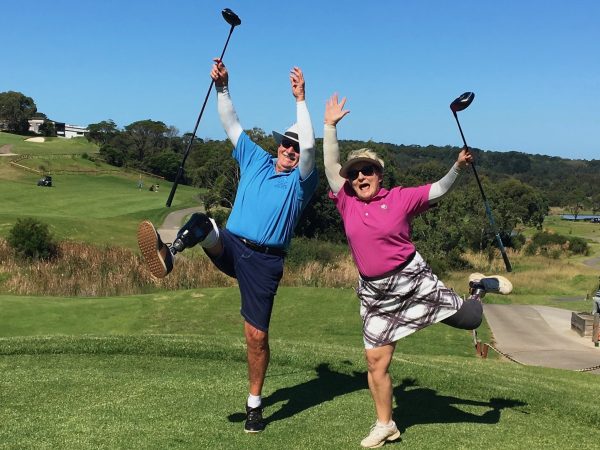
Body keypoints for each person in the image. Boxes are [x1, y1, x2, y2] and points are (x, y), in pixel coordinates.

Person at [137, 60, 318, 433]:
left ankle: (254, 404)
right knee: (204, 222)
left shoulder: (302, 183)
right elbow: (231, 124)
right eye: (287, 143)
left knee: (257, 337)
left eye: (296, 148)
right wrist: (223, 88)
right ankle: (169, 253)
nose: (290, 150)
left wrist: (301, 100)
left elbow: (313, 149)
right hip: (232, 246)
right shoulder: (255, 159)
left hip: (265, 263)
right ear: (278, 143)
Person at [322, 94, 513, 448]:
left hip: (412, 279)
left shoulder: (400, 197)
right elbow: (330, 164)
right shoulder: (345, 198)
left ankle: (477, 288)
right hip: (374, 293)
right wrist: (330, 126)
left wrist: (457, 166)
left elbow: (439, 190)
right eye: (355, 173)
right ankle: (385, 424)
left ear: (379, 173)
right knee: (375, 361)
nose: (361, 176)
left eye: (368, 171)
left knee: (469, 321)